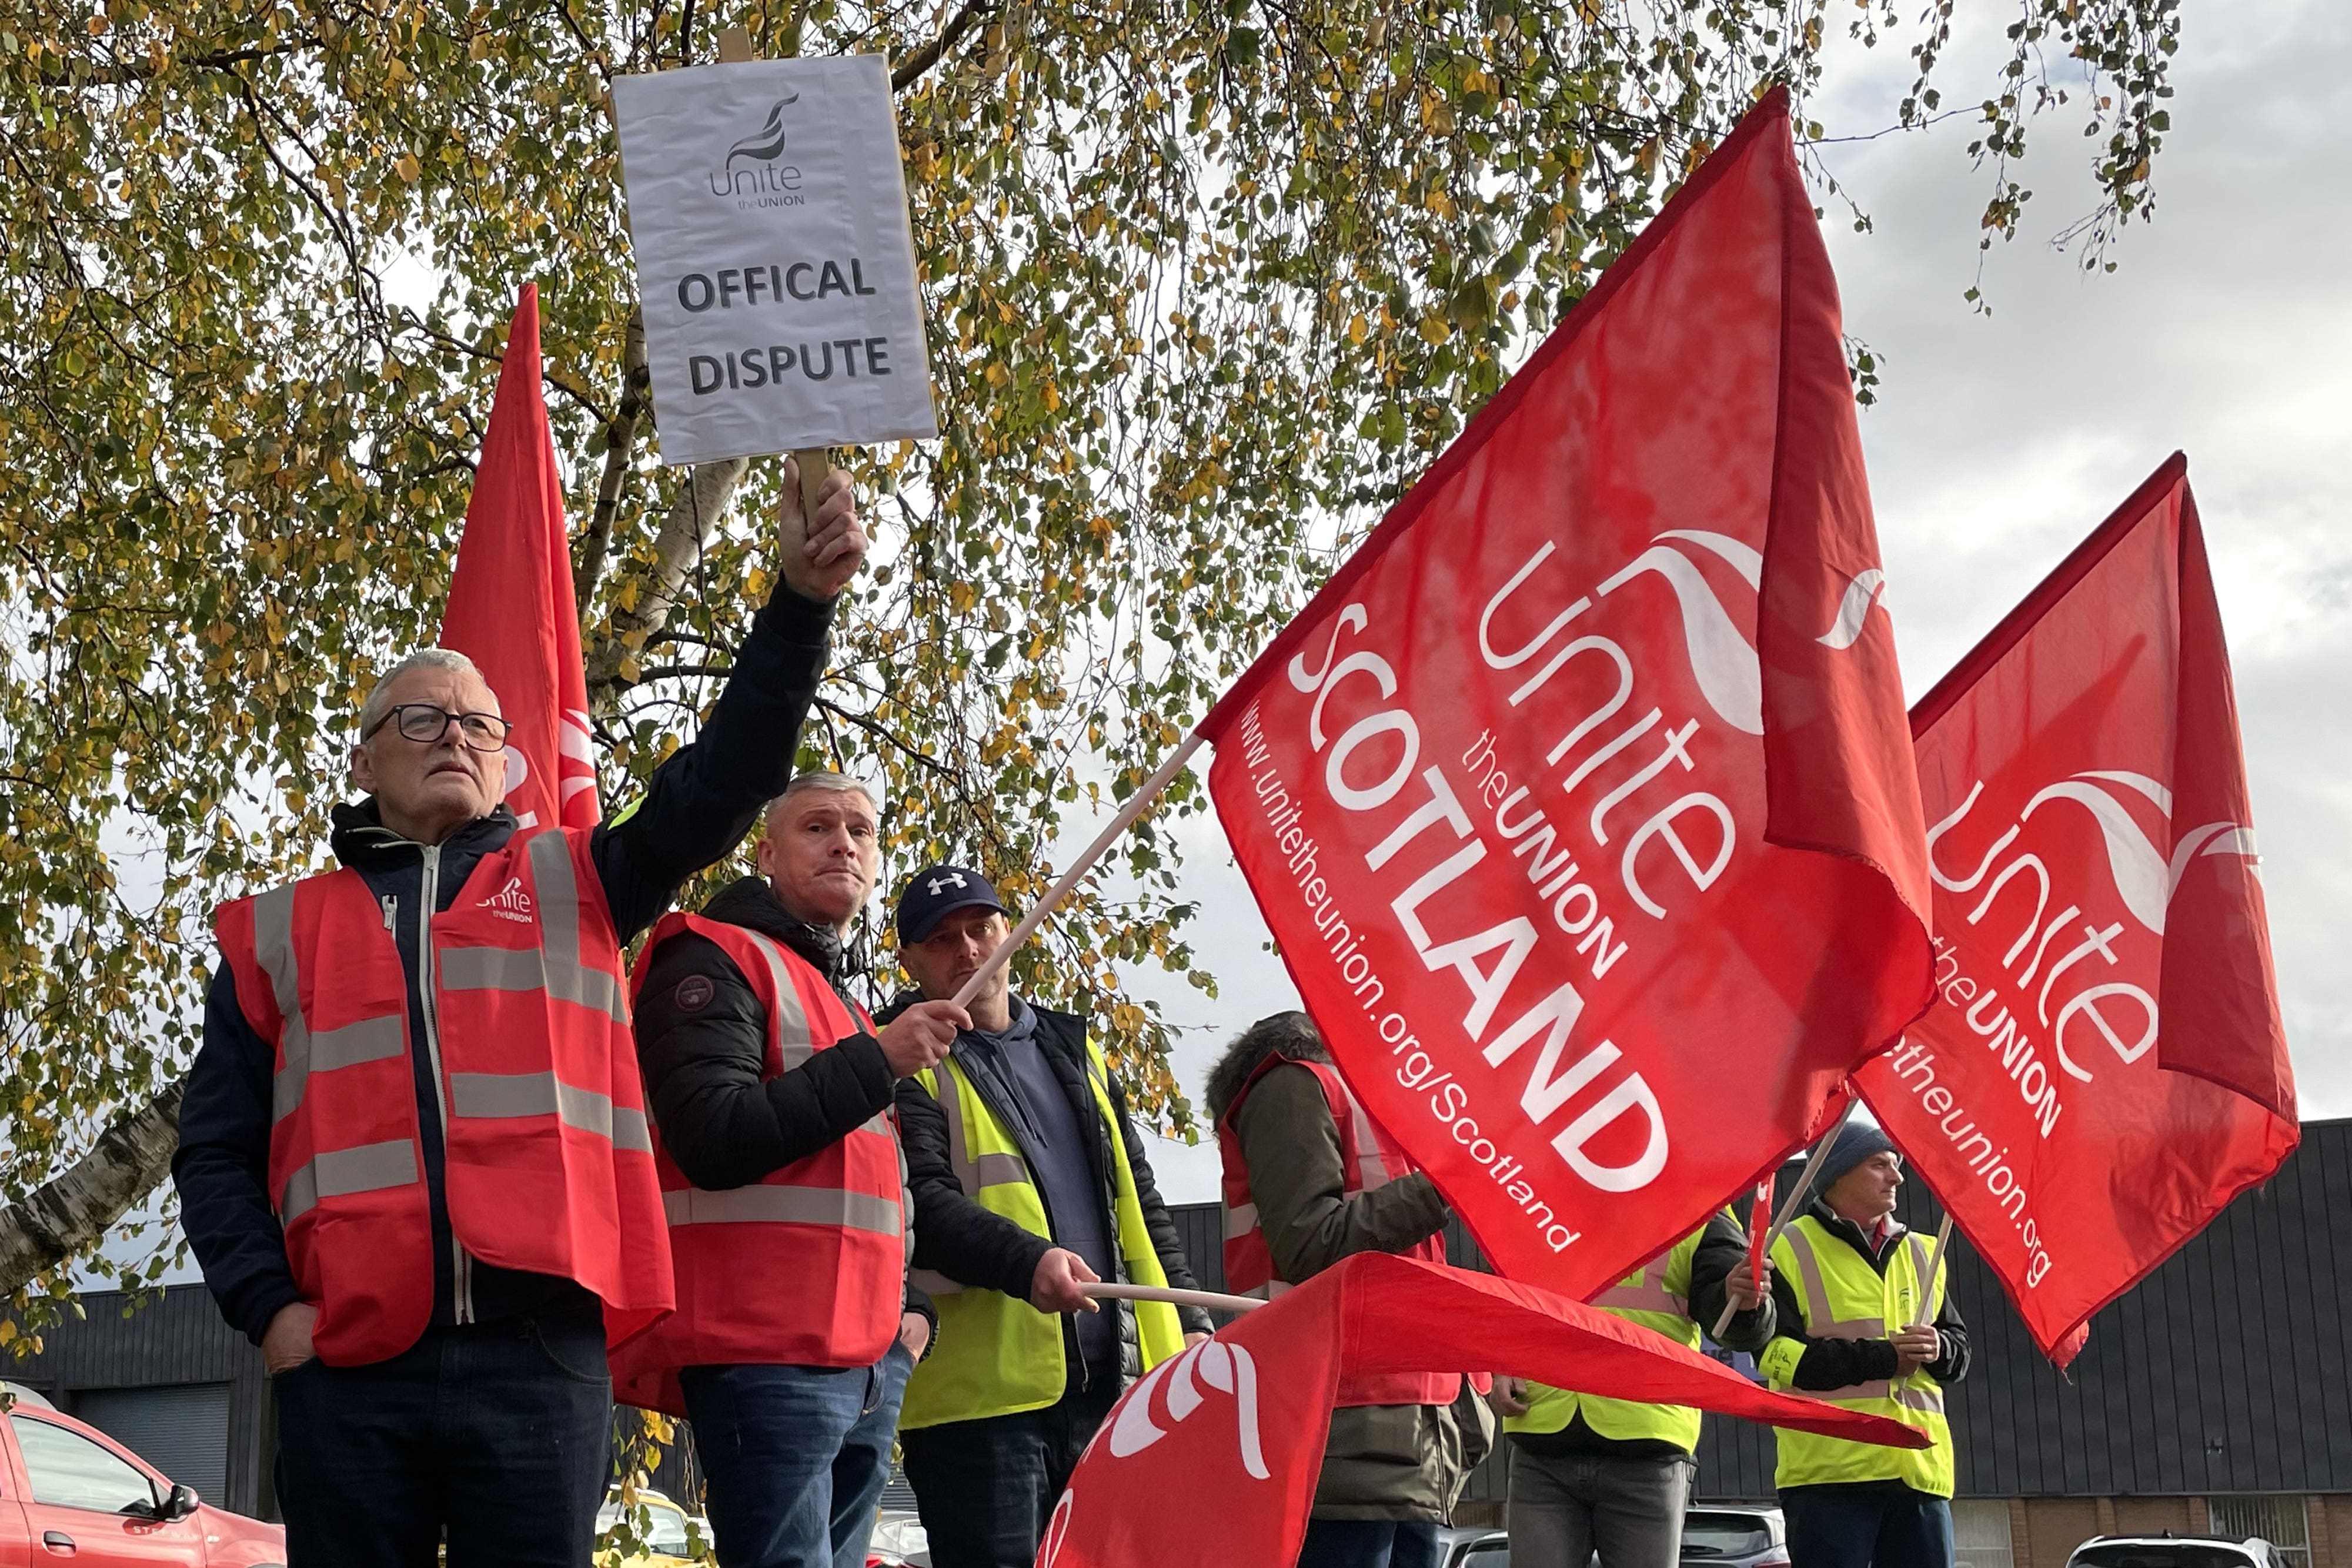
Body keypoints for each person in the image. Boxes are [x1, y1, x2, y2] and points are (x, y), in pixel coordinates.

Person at [171, 460, 868, 1568]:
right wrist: (270, 1314)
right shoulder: (272, 931)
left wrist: (797, 604)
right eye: (419, 716)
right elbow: (213, 1151)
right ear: (361, 760)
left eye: (478, 723)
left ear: (509, 762)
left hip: (540, 1353)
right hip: (347, 1357)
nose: (453, 733)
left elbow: (729, 777)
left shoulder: (581, 878)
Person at [615, 773, 971, 1568]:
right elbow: (711, 1134)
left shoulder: (838, 996)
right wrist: (876, 1058)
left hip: (861, 1353)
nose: (845, 841)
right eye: (818, 826)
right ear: (766, 852)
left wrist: (908, 1318)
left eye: (862, 829)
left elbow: (872, 1187)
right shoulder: (707, 954)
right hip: (763, 1353)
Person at [886, 864, 1214, 1568]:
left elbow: (1140, 1203)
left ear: (1011, 934)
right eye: (942, 940)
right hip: (977, 1408)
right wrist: (1028, 1261)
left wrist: (1191, 1328)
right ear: (909, 961)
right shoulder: (897, 1058)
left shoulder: (1078, 1049)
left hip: (1114, 1391)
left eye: (981, 928)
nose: (969, 950)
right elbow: (925, 1205)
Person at [1209, 1010, 1483, 1568]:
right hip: (1343, 1421)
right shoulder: (1293, 1084)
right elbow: (1310, 1245)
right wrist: (1439, 1190)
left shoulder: (1369, 1102)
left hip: (1399, 1434)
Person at [1489, 1217, 1776, 1568]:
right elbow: (1508, 1285)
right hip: (1542, 1439)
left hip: (1647, 1446)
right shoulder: (1536, 1184)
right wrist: (1500, 1358)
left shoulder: (1702, 1203)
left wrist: (1744, 1304)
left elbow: (1735, 1324)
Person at [1759, 1124, 1970, 1568]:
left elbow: (1959, 1353)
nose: (1896, 1177)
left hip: (1919, 1473)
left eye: (1896, 1165)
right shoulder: (1786, 1247)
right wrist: (1888, 1357)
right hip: (1829, 1477)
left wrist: (1940, 1348)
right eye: (1880, 1164)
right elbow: (1780, 1357)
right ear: (1837, 1174)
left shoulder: (1925, 1252)